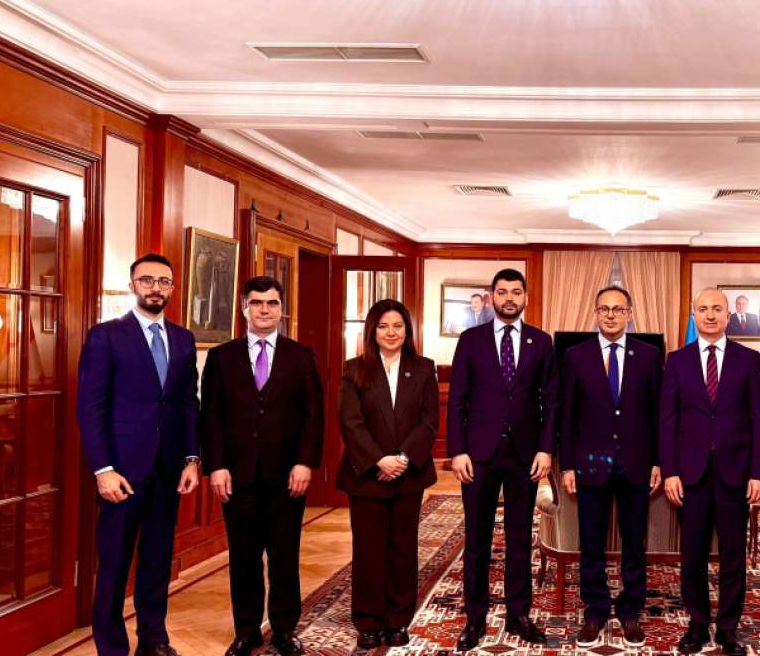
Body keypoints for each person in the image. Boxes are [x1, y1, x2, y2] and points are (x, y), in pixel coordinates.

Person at [77, 253, 201, 656]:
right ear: (133, 285)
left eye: (163, 282)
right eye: (147, 280)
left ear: (172, 288)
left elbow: (187, 404)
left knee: (157, 560)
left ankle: (153, 639)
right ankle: (112, 648)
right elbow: (90, 408)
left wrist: (191, 459)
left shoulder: (183, 339)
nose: (155, 288)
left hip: (168, 470)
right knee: (114, 565)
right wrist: (103, 469)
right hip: (121, 472)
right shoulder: (106, 336)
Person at [200, 276, 324, 656]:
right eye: (256, 303)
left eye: (272, 303)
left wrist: (305, 462)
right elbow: (211, 418)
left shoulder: (301, 356)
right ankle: (247, 631)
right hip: (236, 478)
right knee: (243, 559)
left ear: (282, 309)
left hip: (287, 478)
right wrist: (216, 466)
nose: (264, 310)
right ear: (244, 308)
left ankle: (285, 630)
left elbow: (313, 417)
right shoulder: (221, 358)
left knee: (285, 557)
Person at [447, 268, 559, 650]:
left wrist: (546, 449)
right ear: (491, 296)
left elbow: (551, 402)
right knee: (477, 538)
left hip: (524, 456)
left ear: (525, 297)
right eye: (502, 291)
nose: (509, 298)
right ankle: (475, 617)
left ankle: (518, 614)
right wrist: (457, 450)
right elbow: (458, 399)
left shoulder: (540, 342)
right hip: (478, 455)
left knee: (519, 538)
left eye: (516, 292)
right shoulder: (471, 340)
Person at [660, 288, 760, 656]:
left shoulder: (748, 359)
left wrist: (759, 471)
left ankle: (727, 628)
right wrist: (670, 471)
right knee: (692, 553)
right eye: (703, 309)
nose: (710, 315)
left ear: (727, 315)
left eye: (717, 309)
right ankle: (697, 623)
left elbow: (759, 418)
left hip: (734, 473)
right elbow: (667, 419)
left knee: (733, 554)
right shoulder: (677, 361)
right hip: (689, 474)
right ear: (694, 315)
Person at [560, 286, 662, 647]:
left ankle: (630, 610)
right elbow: (567, 414)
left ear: (630, 314)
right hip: (590, 465)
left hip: (636, 463)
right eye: (604, 309)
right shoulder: (576, 356)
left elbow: (658, 413)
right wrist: (567, 466)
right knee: (591, 542)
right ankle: (596, 609)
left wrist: (658, 461)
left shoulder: (649, 356)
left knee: (635, 542)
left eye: (618, 309)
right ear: (595, 313)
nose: (611, 315)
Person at [336, 299, 439, 653]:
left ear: (407, 330)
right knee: (368, 550)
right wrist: (379, 460)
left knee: (402, 548)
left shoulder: (423, 368)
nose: (391, 332)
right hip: (367, 475)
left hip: (409, 475)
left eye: (398, 326)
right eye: (383, 326)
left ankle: (397, 620)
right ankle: (368, 622)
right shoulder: (354, 369)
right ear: (372, 331)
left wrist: (403, 458)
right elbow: (350, 422)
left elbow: (429, 421)